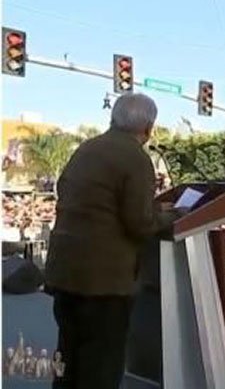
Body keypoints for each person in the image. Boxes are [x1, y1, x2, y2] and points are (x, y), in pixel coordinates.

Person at [44, 93, 183, 389]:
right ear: (148, 128)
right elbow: (139, 224)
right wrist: (171, 218)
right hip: (104, 283)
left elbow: (92, 202)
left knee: (68, 359)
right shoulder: (135, 158)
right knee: (101, 366)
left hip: (66, 274)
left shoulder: (86, 149)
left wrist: (152, 209)